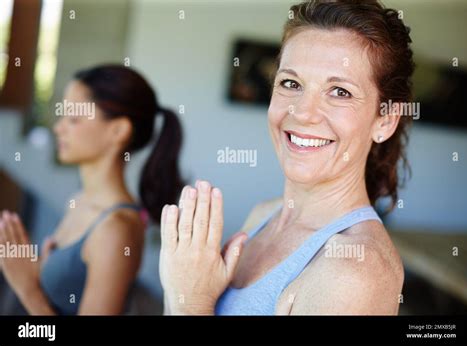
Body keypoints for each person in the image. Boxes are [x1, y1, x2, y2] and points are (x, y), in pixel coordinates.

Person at [159, 0, 413, 315]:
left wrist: (191, 302)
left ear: (385, 120)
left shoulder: (355, 271)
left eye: (340, 92)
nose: (303, 114)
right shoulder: (263, 216)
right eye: (291, 84)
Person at [0, 65, 183, 315]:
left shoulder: (115, 229)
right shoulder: (79, 201)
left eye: (73, 119)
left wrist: (28, 288)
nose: (58, 128)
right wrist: (40, 269)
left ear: (118, 130)